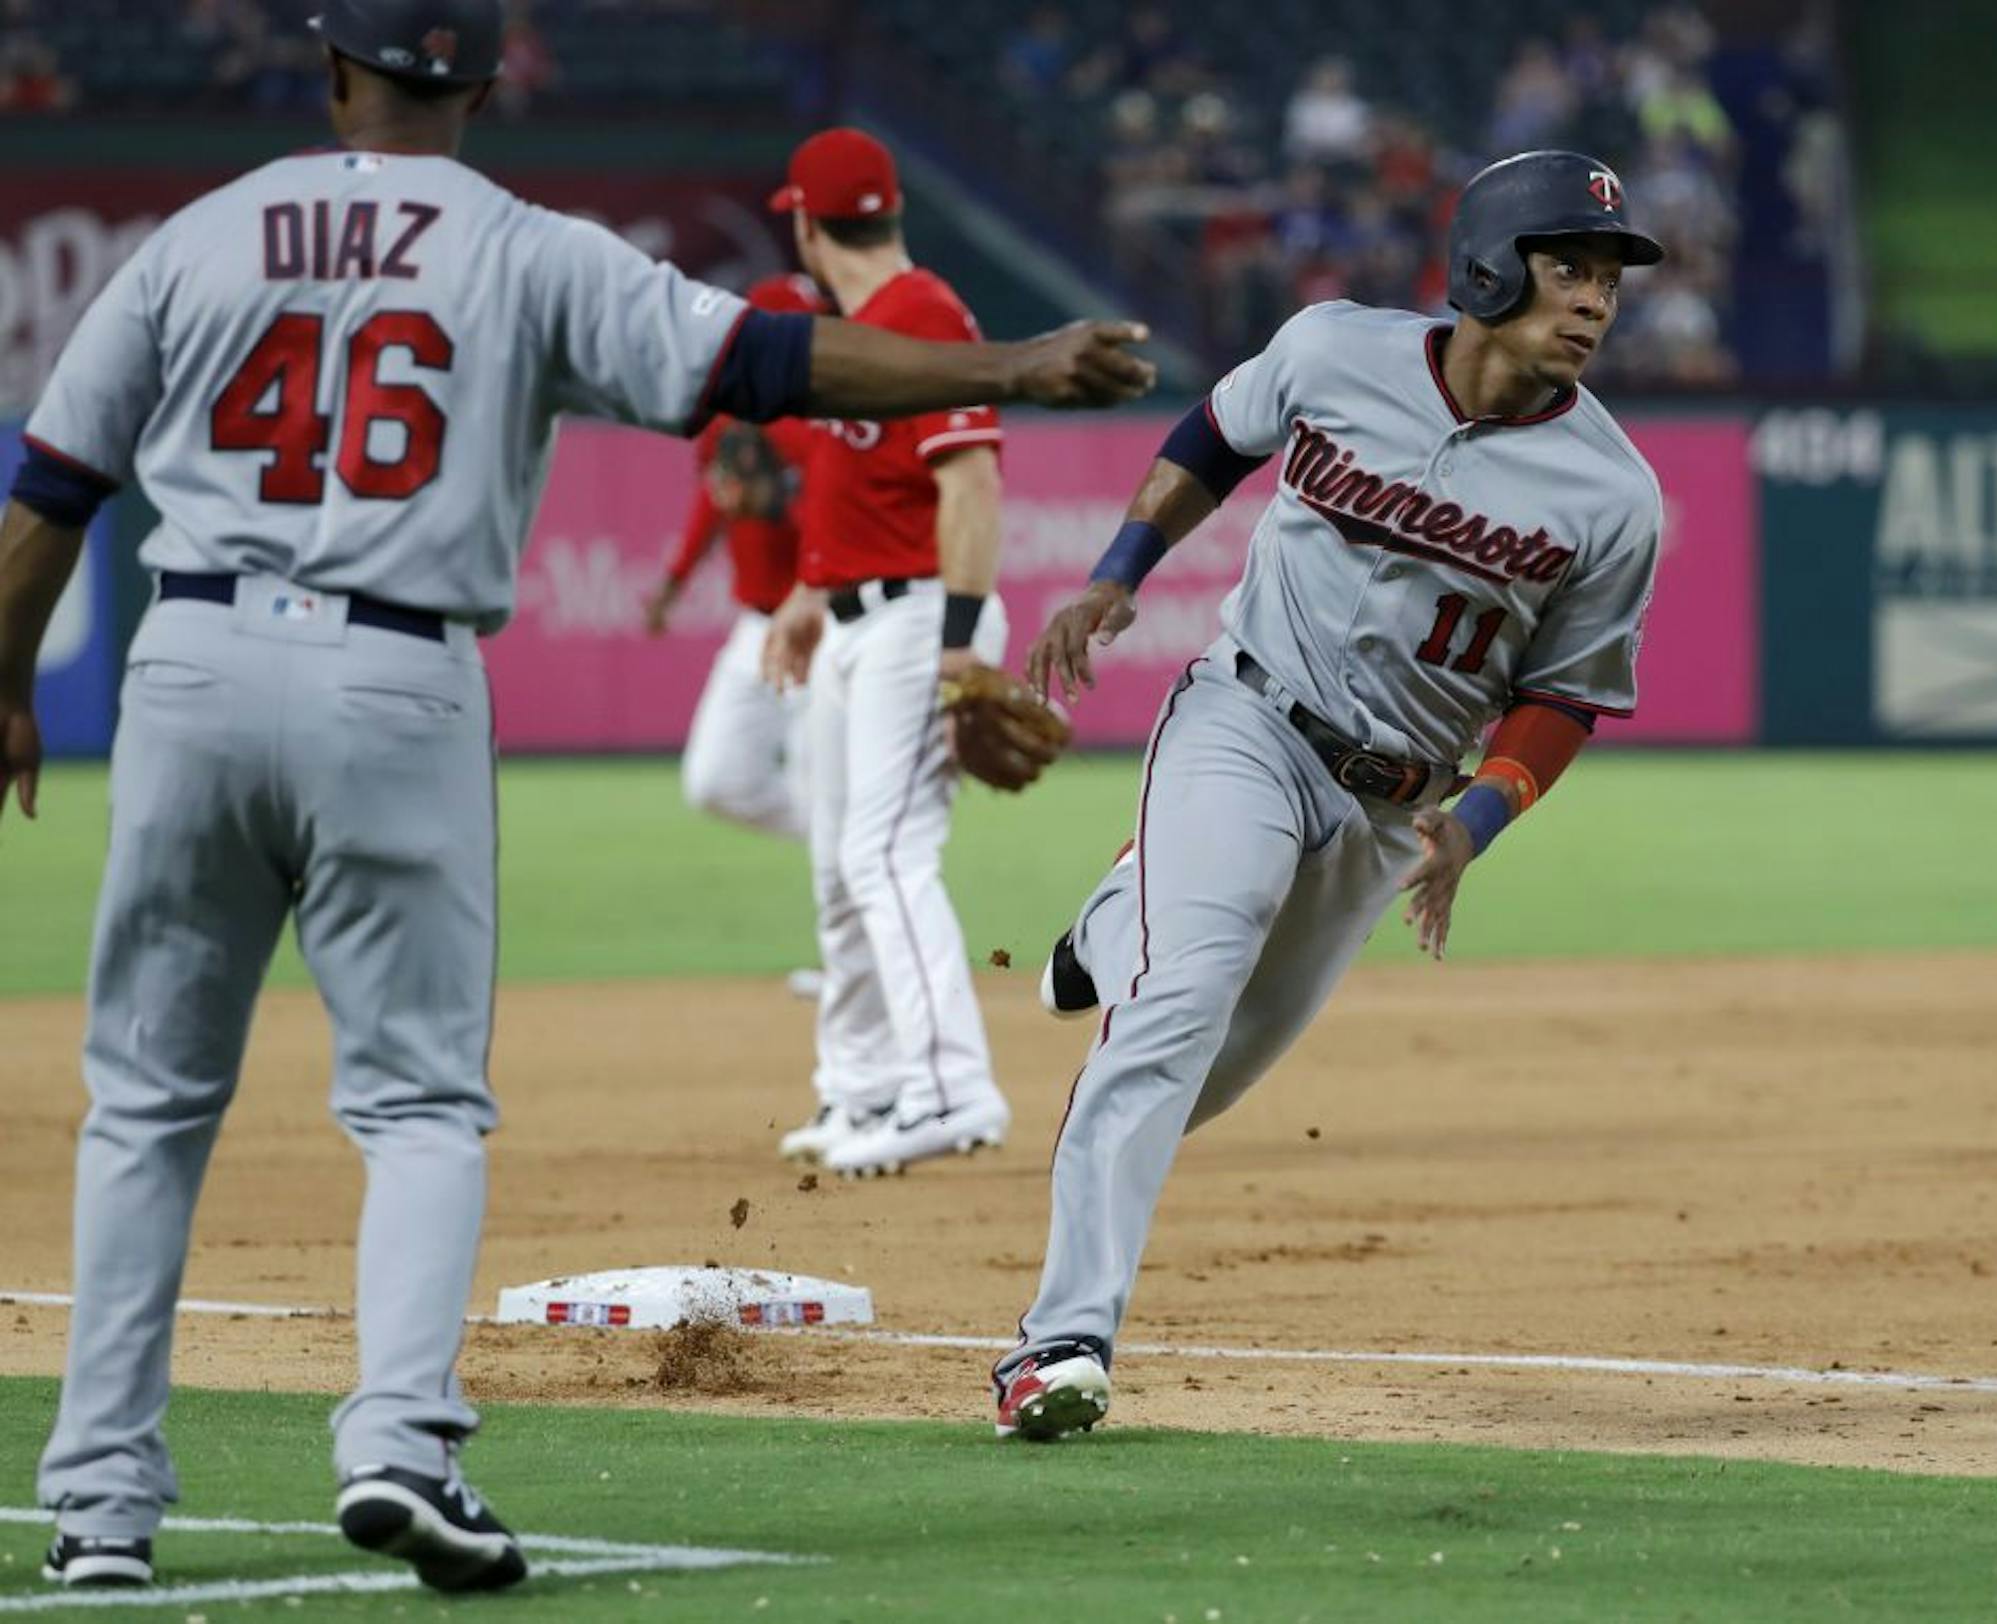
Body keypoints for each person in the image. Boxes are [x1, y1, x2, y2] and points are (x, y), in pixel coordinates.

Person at [0, 1, 1152, 1590]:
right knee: (415, 1106)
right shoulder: (522, 245)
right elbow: (766, 359)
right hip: (399, 675)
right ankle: (399, 1446)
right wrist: (1007, 359)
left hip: (189, 663)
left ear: (332, 75)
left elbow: (53, 487)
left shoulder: (201, 233)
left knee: (144, 1107)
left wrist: (5, 678)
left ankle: (102, 1513)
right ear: (480, 82)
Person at [992, 150, 1664, 1440]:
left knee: (1214, 1074)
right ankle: (1059, 1343)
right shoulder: (1334, 351)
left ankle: (1108, 925)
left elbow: (1569, 694)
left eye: (1609, 279)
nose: (1592, 299)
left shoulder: (1612, 494)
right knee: (1177, 1005)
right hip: (1248, 718)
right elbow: (1218, 432)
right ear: (1486, 266)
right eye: (1566, 265)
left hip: (1394, 808)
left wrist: (1474, 826)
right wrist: (1119, 571)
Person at [758, 129, 1016, 1179]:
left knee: (885, 854)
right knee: (836, 863)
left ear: (809, 226)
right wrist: (806, 596)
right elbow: (876, 496)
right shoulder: (858, 325)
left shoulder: (923, 317)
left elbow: (973, 488)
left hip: (921, 621)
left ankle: (954, 1088)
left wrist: (959, 648)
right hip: (854, 620)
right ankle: (862, 1088)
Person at [645, 272, 828, 845]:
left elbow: (839, 525)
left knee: (821, 779)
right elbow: (712, 502)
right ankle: (845, 842)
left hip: (827, 621)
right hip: (760, 623)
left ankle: (852, 851)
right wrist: (675, 579)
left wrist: (778, 504)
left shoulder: (825, 421)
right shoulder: (728, 414)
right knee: (715, 779)